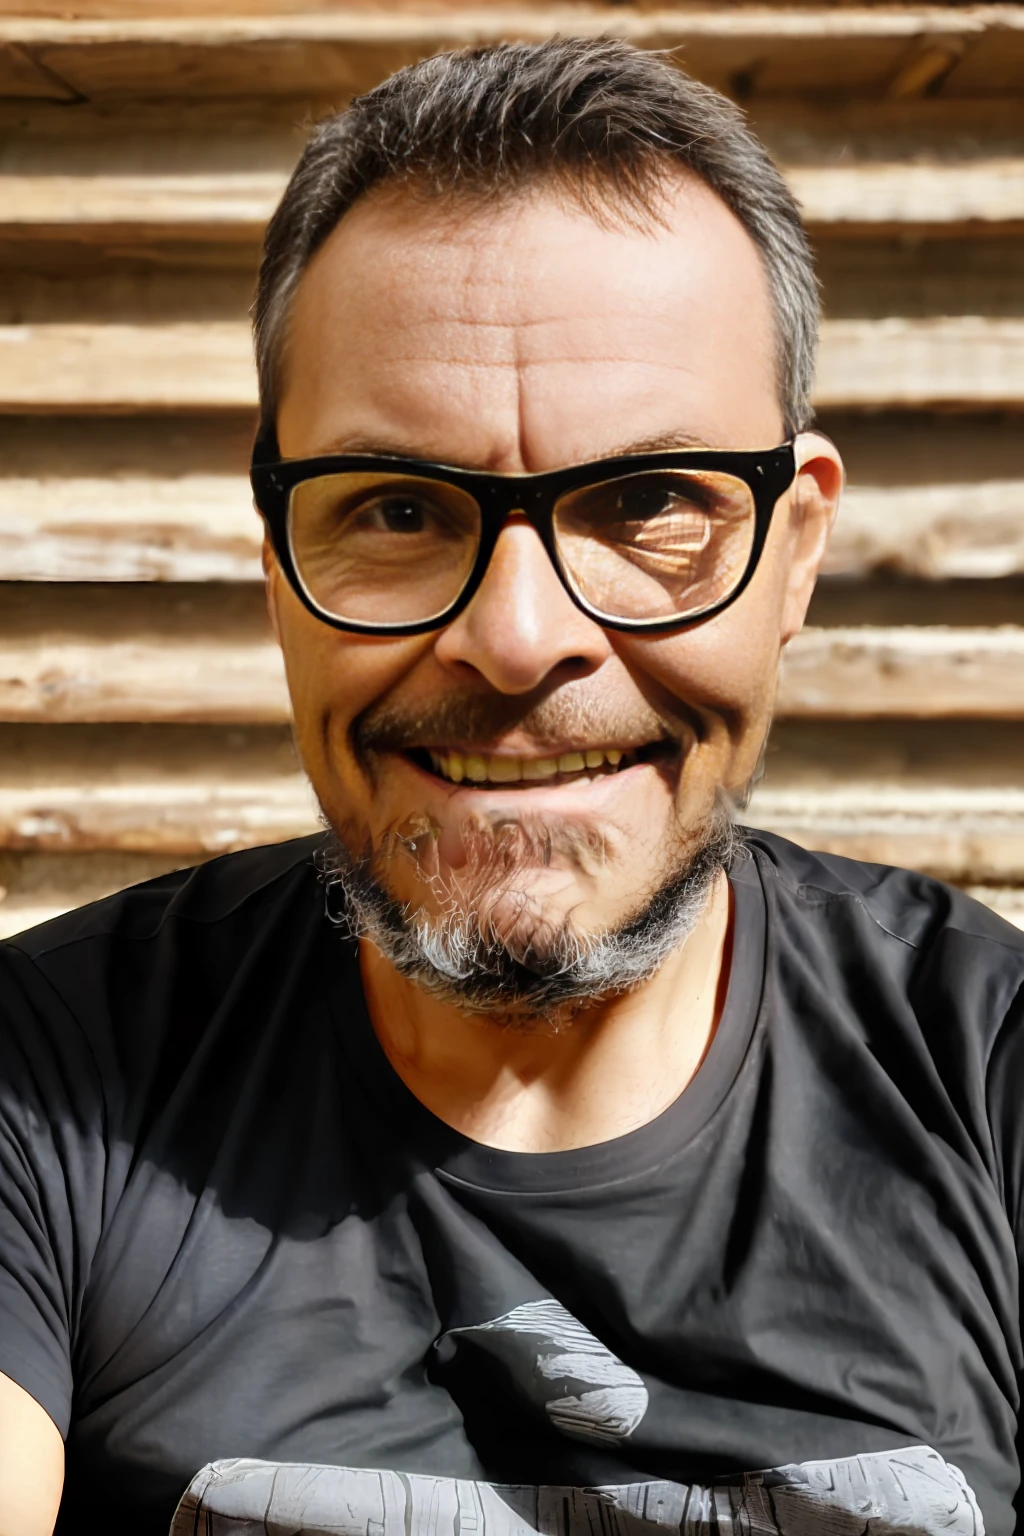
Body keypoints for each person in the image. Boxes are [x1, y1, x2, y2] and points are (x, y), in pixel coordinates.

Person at [0, 37, 1021, 1536]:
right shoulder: (37, 1088)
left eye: (651, 501)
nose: (521, 638)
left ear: (796, 553)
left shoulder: (989, 1080)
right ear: (277, 552)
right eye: (401, 508)